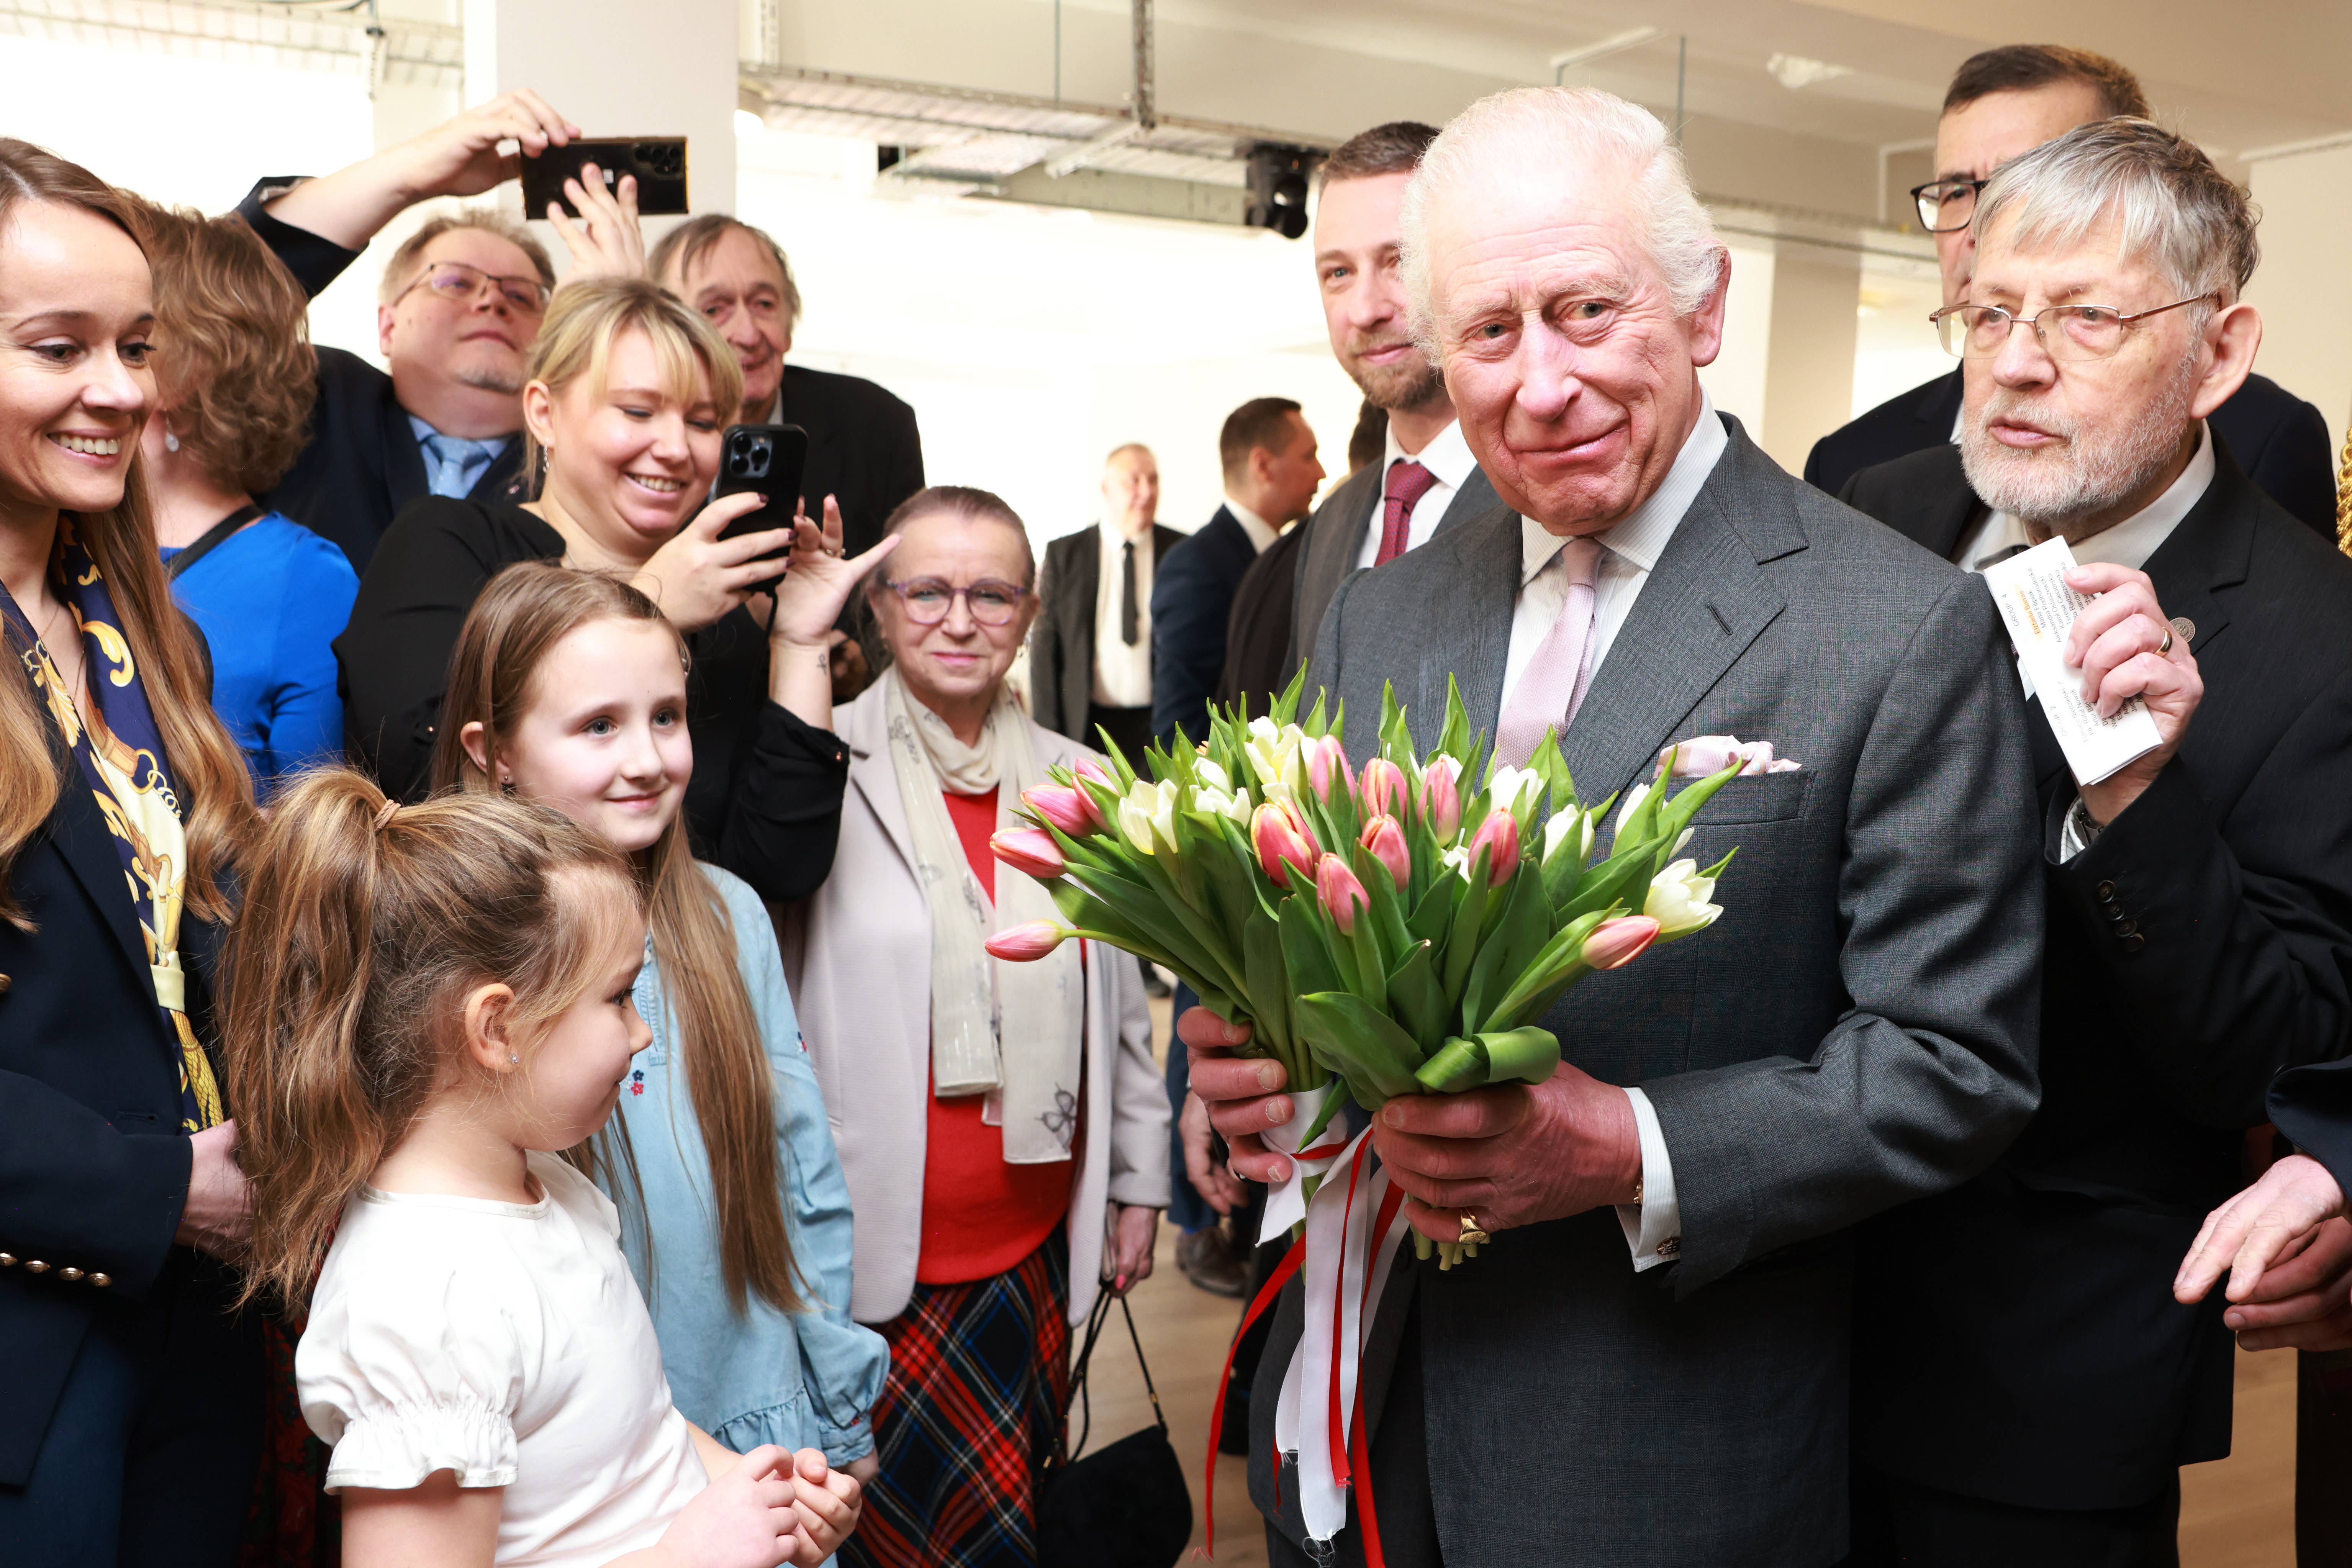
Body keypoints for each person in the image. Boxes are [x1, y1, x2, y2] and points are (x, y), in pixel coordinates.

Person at [1185, 87, 2044, 1566]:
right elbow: (1317, 915)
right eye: (1491, 333)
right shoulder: (1382, 614)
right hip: (1354, 1426)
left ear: (1702, 309)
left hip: (1662, 1445)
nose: (1540, 384)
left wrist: (1628, 1148)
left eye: (1587, 311)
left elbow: (1952, 1061)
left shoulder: (1896, 625)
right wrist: (1254, 1046)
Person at [1833, 118, 2352, 1563]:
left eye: (2084, 318)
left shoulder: (2320, 642)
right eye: (1991, 309)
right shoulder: (1881, 514)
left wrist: (2132, 803)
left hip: (2044, 1383)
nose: (2012, 359)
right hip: (1773, 1323)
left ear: (2221, 354)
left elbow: (2280, 1058)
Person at [220, 770, 864, 1568]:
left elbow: (634, 1436)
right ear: (496, 1028)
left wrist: (759, 1496)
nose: (641, 1034)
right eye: (620, 997)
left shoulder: (548, 1186)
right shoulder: (427, 1303)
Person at [433, 562, 889, 1482]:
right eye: (598, 724)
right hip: (571, 1447)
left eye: (667, 717)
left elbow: (798, 1172)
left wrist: (838, 1412)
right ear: (493, 750)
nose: (646, 758)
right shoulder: (447, 949)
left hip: (753, 1407)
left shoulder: (725, 915)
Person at [780, 486, 1167, 1566]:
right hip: (864, 1257)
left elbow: (1122, 1011)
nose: (959, 619)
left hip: (1031, 1247)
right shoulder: (819, 764)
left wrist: (1139, 1181)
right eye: (929, 590)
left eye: (990, 593)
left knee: (1004, 1538)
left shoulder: (1085, 779)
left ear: (1031, 610)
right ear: (880, 605)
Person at [0, 140, 264, 1563]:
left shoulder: (147, 636)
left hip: (191, 1346)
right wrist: (156, 1189)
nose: (119, 390)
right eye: (61, 347)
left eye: (137, 346)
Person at [335, 276, 895, 906]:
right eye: (637, 411)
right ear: (544, 412)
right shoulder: (448, 541)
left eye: (704, 422)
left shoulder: (728, 618)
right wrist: (652, 605)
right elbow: (418, 776)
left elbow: (777, 870)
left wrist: (797, 638)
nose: (676, 448)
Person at [1803, 45, 2336, 536]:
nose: (1980, 229)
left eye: (2031, 183)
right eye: (1957, 191)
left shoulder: (2269, 436)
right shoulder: (1854, 465)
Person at [235, 90, 657, 573]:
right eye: (454, 282)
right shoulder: (316, 396)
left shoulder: (583, 458)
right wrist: (412, 173)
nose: (491, 301)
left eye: (520, 295)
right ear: (388, 326)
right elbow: (204, 296)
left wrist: (614, 324)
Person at [123, 197, 358, 794]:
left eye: (132, 339)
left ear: (191, 365)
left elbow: (311, 837)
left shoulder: (304, 576)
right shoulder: (44, 535)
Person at [651, 216, 925, 566]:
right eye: (714, 310)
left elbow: (911, 585)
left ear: (790, 321)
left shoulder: (878, 425)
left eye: (764, 304)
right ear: (664, 331)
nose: (748, 335)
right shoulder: (639, 439)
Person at [1150, 397, 1323, 749]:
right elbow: (1179, 729)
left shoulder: (1295, 555)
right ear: (1262, 465)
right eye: (1309, 456)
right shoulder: (1196, 565)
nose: (1321, 472)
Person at [1029, 442, 1183, 760]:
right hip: (1087, 723)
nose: (1147, 491)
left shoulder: (1182, 552)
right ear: (1106, 488)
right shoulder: (1065, 555)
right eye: (1134, 480)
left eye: (1153, 480)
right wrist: (1046, 735)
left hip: (1160, 725)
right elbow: (1045, 651)